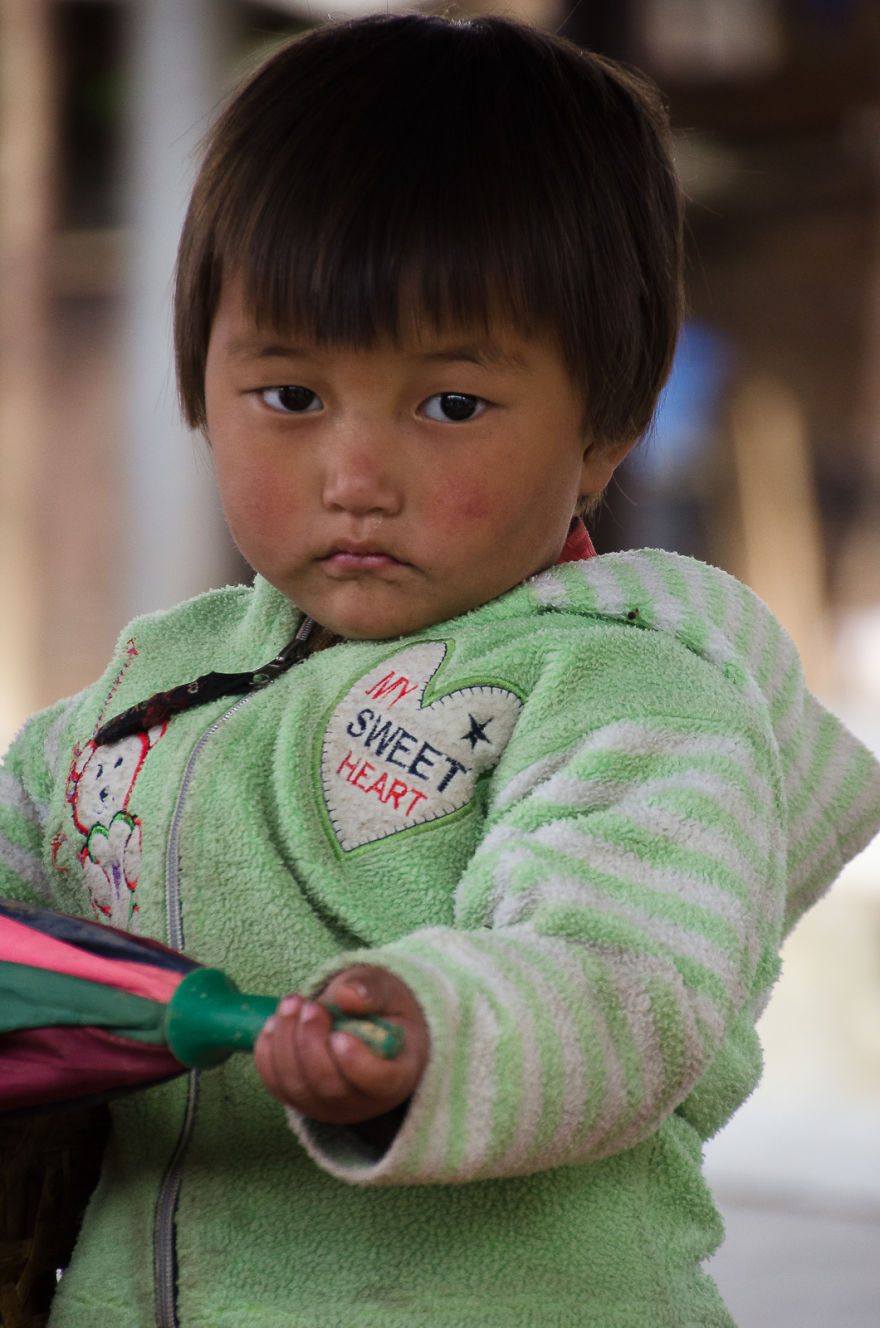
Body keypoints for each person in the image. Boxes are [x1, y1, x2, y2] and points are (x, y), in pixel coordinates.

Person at [2, 14, 879, 1327]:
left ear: (604, 426)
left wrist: (428, 1026)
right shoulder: (155, 687)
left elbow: (623, 980)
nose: (356, 478)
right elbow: (27, 867)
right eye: (291, 397)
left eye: (450, 405)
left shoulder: (626, 697)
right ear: (201, 382)